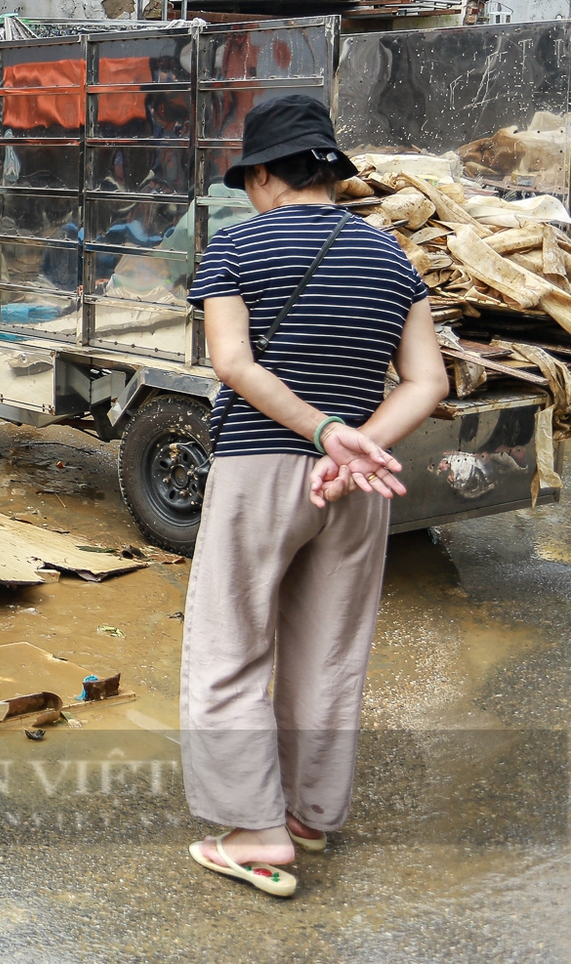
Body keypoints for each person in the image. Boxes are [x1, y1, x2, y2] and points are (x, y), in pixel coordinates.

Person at [181, 95, 446, 897]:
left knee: (230, 641)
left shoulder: (234, 247)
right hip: (361, 481)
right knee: (329, 646)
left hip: (261, 466)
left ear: (263, 175)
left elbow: (233, 364)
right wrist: (359, 443)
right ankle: (308, 813)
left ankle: (255, 831)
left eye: (250, 180)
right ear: (327, 171)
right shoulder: (393, 258)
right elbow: (427, 380)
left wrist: (326, 430)